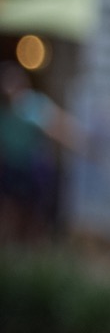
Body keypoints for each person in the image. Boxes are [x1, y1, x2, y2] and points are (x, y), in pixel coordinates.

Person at [0, 63, 79, 241]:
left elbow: (59, 127)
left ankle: (29, 248)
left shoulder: (31, 104)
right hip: (11, 170)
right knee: (11, 211)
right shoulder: (6, 112)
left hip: (31, 170)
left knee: (32, 213)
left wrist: (80, 142)